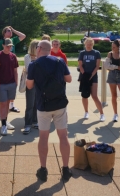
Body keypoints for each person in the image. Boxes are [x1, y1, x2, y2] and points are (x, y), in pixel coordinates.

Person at [26, 40, 72, 182]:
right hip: (59, 104)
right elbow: (69, 79)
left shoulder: (34, 64)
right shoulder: (59, 62)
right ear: (50, 49)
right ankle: (65, 169)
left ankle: (43, 169)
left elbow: (29, 86)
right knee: (63, 136)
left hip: (43, 105)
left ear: (39, 49)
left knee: (43, 137)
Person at [0, 26, 26, 113]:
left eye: (10, 31)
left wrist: (13, 29)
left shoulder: (13, 40)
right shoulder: (0, 42)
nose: (10, 32)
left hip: (12, 62)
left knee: (12, 85)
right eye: (8, 31)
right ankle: (0, 107)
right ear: (4, 33)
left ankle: (11, 105)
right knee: (3, 88)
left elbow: (23, 36)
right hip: (3, 65)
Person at [0, 38, 19, 136]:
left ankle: (5, 121)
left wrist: (16, 82)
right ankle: (3, 124)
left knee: (8, 103)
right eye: (7, 46)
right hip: (2, 84)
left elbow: (15, 70)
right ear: (3, 45)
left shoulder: (13, 56)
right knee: (3, 104)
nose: (9, 47)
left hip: (11, 83)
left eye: (10, 46)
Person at [78, 37, 105, 121]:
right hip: (84, 76)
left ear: (92, 44)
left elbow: (97, 66)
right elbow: (80, 65)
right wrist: (85, 75)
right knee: (84, 95)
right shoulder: (82, 53)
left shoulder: (96, 53)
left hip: (93, 76)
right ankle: (86, 112)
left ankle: (102, 113)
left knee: (94, 96)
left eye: (90, 44)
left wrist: (91, 75)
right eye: (87, 44)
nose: (89, 45)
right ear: (85, 44)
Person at [23, 40, 39, 134]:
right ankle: (27, 124)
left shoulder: (40, 57)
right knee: (30, 104)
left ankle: (34, 121)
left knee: (37, 103)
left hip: (39, 83)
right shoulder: (27, 57)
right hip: (31, 83)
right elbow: (29, 70)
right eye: (38, 46)